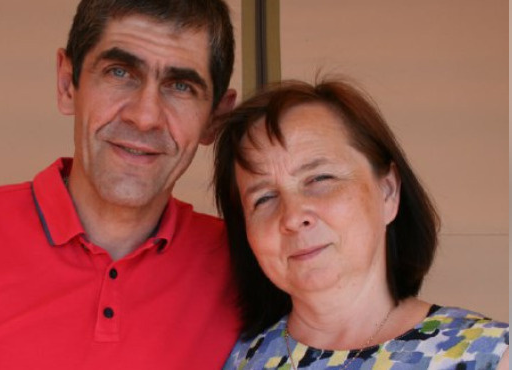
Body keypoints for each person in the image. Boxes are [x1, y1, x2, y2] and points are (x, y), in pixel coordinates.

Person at [0, 0, 240, 369]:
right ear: (67, 84)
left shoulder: (245, 263)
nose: (145, 116)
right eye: (120, 72)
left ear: (215, 119)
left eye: (181, 86)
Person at [214, 79, 509, 369]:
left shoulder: (490, 355)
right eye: (264, 198)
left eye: (320, 178)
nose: (292, 217)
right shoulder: (233, 358)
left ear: (388, 191)